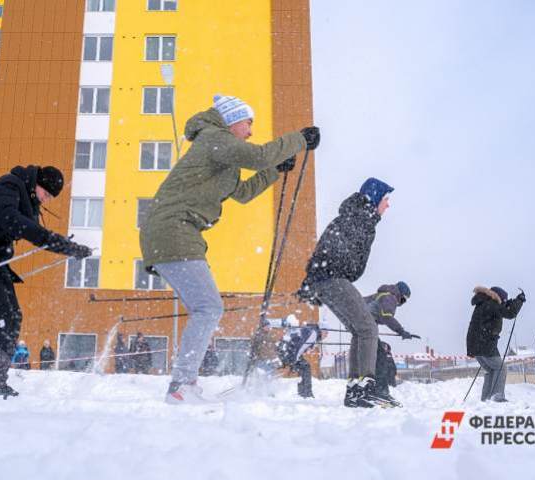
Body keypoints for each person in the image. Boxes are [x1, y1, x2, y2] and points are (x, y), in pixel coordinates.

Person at [140, 93, 319, 403]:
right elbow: (260, 155)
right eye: (248, 124)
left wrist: (277, 169)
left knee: (206, 308)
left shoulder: (220, 153)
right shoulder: (214, 138)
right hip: (173, 229)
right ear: (232, 120)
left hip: (175, 231)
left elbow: (245, 192)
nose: (250, 131)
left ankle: (184, 384)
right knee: (209, 307)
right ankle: (181, 386)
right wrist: (298, 140)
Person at [0, 165, 91, 397]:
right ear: (37, 185)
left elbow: (29, 227)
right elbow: (12, 221)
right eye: (45, 194)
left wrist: (67, 247)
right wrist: (61, 244)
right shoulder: (9, 185)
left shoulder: (27, 199)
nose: (45, 200)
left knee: (11, 317)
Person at [297, 178, 395, 408]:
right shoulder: (359, 219)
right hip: (332, 278)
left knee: (358, 330)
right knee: (368, 328)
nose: (387, 205)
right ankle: (364, 387)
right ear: (374, 199)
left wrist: (312, 281)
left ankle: (355, 389)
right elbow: (334, 252)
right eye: (385, 200)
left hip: (327, 279)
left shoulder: (356, 217)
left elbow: (328, 251)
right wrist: (316, 278)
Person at [465, 286, 525, 402]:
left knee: (492, 370)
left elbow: (501, 308)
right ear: (497, 297)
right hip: (485, 344)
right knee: (501, 368)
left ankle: (486, 399)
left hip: (476, 346)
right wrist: (519, 301)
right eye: (503, 300)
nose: (503, 302)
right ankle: (497, 397)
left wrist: (510, 302)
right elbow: (509, 313)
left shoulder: (483, 303)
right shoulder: (492, 304)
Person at [278, 324, 318, 398]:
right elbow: (299, 348)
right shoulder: (313, 333)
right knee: (305, 367)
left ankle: (303, 392)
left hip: (286, 350)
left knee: (303, 367)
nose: (327, 335)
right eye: (326, 332)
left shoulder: (308, 331)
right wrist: (293, 362)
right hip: (287, 351)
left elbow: (299, 346)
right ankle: (306, 393)